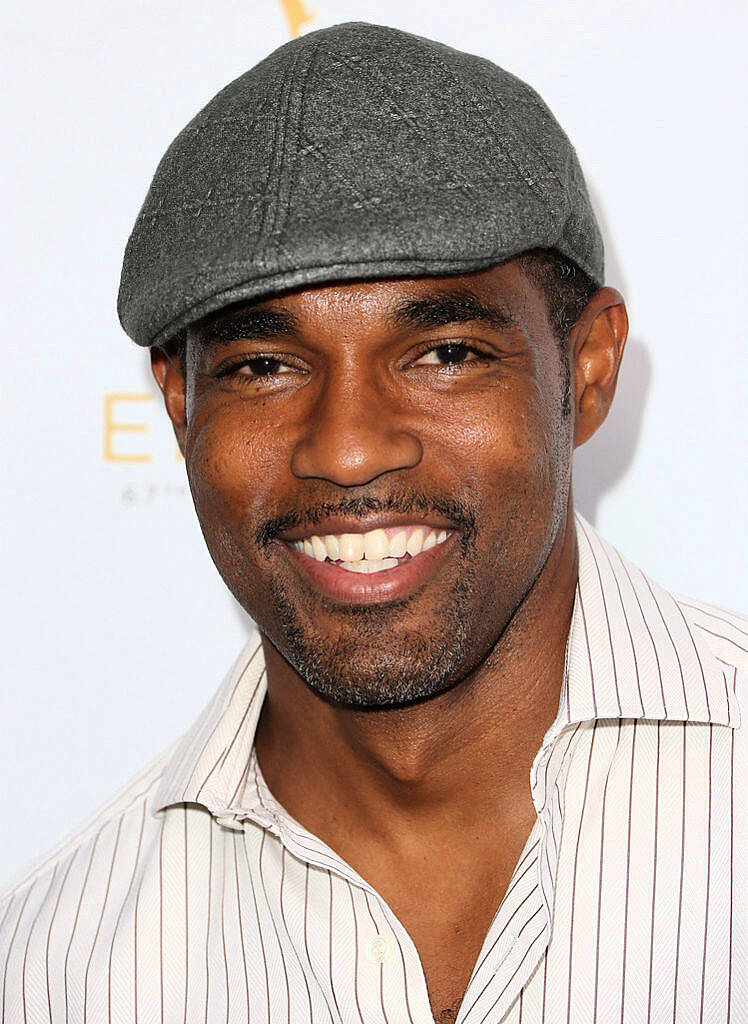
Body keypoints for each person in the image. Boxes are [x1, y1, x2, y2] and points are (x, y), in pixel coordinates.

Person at [1, 20, 744, 1024]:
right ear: (181, 407)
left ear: (589, 369)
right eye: (265, 365)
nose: (348, 448)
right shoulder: (62, 969)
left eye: (445, 352)